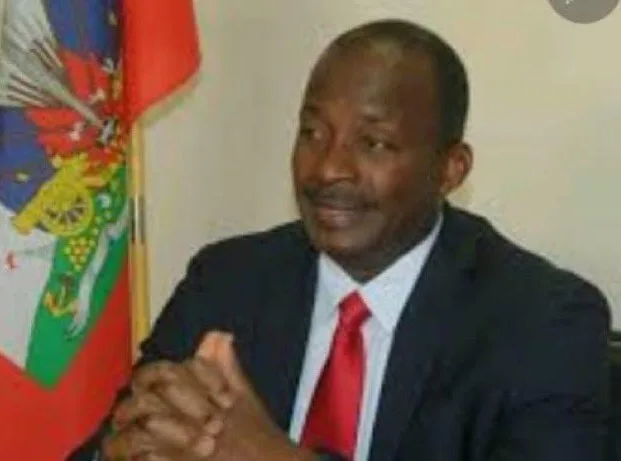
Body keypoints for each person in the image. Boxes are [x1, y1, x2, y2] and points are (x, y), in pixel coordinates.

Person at [69, 18, 611, 461]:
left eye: (373, 143)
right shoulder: (228, 282)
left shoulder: (542, 323)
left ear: (451, 170)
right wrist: (127, 450)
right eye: (313, 133)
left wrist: (269, 457)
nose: (328, 168)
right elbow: (110, 443)